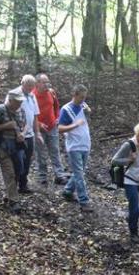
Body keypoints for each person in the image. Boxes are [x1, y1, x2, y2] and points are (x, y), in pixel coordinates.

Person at [0, 90, 26, 213]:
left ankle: (9, 195)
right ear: (10, 100)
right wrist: (5, 126)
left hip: (18, 147)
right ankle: (14, 202)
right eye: (17, 101)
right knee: (10, 173)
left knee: (19, 172)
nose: (19, 104)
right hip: (3, 147)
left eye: (21, 101)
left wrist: (22, 134)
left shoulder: (21, 111)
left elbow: (24, 125)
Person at [58, 84, 93, 212]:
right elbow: (60, 128)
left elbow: (84, 122)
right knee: (79, 174)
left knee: (79, 172)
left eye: (85, 97)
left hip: (85, 144)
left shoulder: (83, 106)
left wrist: (88, 113)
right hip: (74, 146)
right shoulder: (66, 109)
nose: (83, 99)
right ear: (75, 95)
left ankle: (67, 191)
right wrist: (75, 125)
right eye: (81, 97)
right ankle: (84, 201)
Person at [34, 73, 67, 185]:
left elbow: (56, 106)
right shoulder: (32, 95)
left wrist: (58, 118)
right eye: (44, 82)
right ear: (37, 83)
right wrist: (38, 124)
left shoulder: (51, 92)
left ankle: (60, 175)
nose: (47, 84)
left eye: (48, 81)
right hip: (38, 129)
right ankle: (42, 176)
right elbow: (27, 113)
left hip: (52, 127)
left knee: (55, 151)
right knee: (40, 153)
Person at [10, 75, 39, 194]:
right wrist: (17, 132)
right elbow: (9, 113)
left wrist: (38, 133)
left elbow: (35, 115)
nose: (30, 88)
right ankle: (13, 186)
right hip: (17, 134)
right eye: (28, 86)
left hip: (29, 133)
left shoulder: (32, 95)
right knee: (18, 161)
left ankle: (23, 185)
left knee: (27, 161)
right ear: (22, 83)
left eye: (32, 86)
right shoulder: (14, 93)